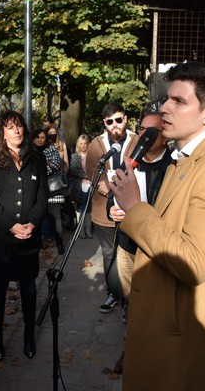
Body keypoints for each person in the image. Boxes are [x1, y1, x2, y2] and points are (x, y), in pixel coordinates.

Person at [110, 61, 205, 390]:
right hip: (163, 338)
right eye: (166, 99)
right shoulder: (187, 159)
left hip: (182, 350)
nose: (164, 107)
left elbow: (192, 261)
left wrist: (135, 208)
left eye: (178, 101)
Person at [106, 112, 172, 374]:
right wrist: (113, 210)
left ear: (164, 137)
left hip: (156, 249)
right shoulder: (128, 163)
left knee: (154, 305)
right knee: (131, 303)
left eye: (151, 131)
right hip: (128, 245)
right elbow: (114, 198)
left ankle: (154, 351)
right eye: (141, 129)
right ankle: (131, 348)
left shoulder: (174, 166)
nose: (143, 135)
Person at [0, 111, 48, 361]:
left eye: (19, 126)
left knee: (29, 290)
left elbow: (42, 197)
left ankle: (29, 338)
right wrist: (12, 226)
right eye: (10, 127)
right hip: (3, 238)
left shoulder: (36, 158)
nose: (17, 131)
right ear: (3, 131)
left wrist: (32, 223)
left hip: (29, 240)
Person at [85, 102, 137, 314]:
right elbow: (91, 171)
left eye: (118, 119)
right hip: (103, 211)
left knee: (129, 255)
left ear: (125, 118)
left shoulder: (136, 141)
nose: (115, 125)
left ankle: (129, 299)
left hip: (131, 211)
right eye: (110, 122)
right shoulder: (96, 145)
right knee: (109, 254)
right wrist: (101, 183)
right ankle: (113, 294)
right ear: (104, 124)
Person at [33, 128, 66, 254]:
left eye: (42, 137)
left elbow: (56, 165)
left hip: (53, 189)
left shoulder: (51, 149)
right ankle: (43, 241)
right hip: (38, 191)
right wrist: (44, 163)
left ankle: (60, 242)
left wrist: (40, 169)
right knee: (40, 216)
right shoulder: (31, 151)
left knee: (56, 216)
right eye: (38, 137)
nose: (40, 140)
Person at [70, 134, 92, 239]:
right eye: (81, 144)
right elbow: (74, 171)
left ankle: (88, 230)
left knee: (90, 208)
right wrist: (88, 176)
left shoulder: (92, 156)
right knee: (81, 207)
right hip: (80, 185)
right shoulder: (75, 156)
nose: (83, 146)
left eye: (85, 143)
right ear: (78, 145)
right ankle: (80, 230)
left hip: (91, 186)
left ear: (88, 144)